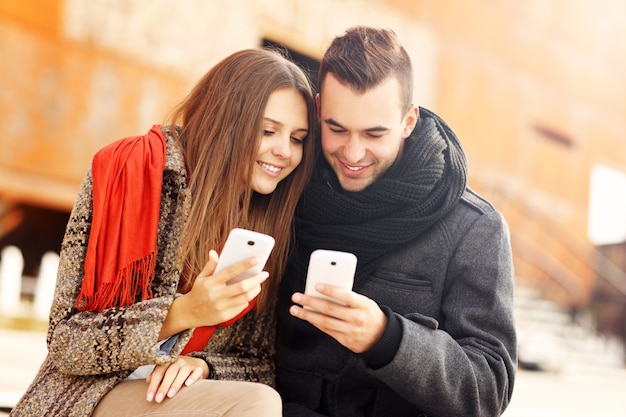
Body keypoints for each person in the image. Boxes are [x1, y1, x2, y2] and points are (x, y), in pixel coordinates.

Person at [10, 48, 317, 417]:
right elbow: (67, 343)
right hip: (87, 398)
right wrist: (184, 312)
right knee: (258, 405)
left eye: (297, 138)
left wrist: (206, 366)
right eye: (268, 131)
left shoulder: (263, 223)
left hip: (173, 400)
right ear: (227, 121)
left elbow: (259, 361)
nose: (284, 151)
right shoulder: (131, 171)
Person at [275, 26, 517, 417]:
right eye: (336, 129)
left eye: (374, 133)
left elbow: (488, 388)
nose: (353, 153)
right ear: (319, 111)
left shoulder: (474, 228)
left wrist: (388, 339)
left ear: (408, 121)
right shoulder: (286, 185)